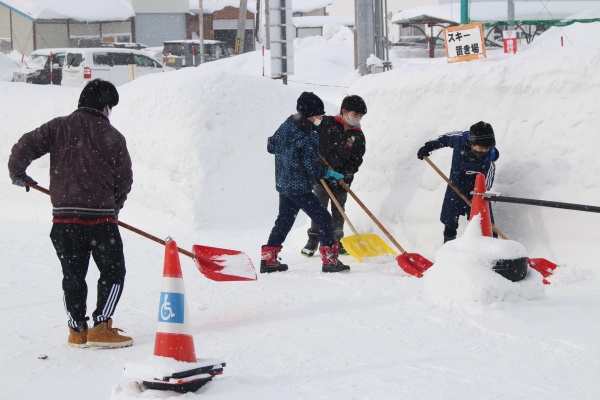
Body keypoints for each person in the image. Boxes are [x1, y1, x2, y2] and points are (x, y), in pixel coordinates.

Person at [8, 79, 134, 348]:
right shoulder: (113, 136)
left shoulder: (58, 127)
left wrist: (18, 174)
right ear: (104, 106)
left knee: (73, 275)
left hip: (65, 221)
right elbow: (124, 180)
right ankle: (102, 325)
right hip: (101, 221)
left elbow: (23, 147)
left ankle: (77, 330)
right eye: (110, 107)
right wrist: (114, 208)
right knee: (113, 272)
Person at [262, 92, 351, 274]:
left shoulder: (287, 125)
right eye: (319, 114)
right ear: (310, 114)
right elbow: (314, 170)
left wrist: (289, 149)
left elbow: (271, 145)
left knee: (284, 220)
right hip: (299, 187)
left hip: (283, 184)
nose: (321, 118)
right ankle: (330, 261)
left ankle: (269, 259)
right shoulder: (308, 136)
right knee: (324, 218)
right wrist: (330, 173)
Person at [301, 95, 367, 257]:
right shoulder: (327, 123)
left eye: (360, 116)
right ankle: (314, 238)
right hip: (321, 176)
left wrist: (346, 175)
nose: (357, 118)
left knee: (338, 209)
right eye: (355, 114)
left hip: (341, 179)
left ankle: (338, 239)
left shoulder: (358, 135)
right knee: (319, 208)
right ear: (344, 111)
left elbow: (357, 159)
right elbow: (308, 134)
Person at [417, 121, 499, 243]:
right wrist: (429, 147)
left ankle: (493, 252)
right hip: (454, 189)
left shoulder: (488, 160)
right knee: (450, 223)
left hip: (476, 195)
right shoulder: (460, 139)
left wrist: (477, 197)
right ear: (472, 143)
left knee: (487, 226)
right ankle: (448, 253)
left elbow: (487, 183)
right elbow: (444, 139)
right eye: (481, 148)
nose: (484, 151)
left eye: (487, 148)